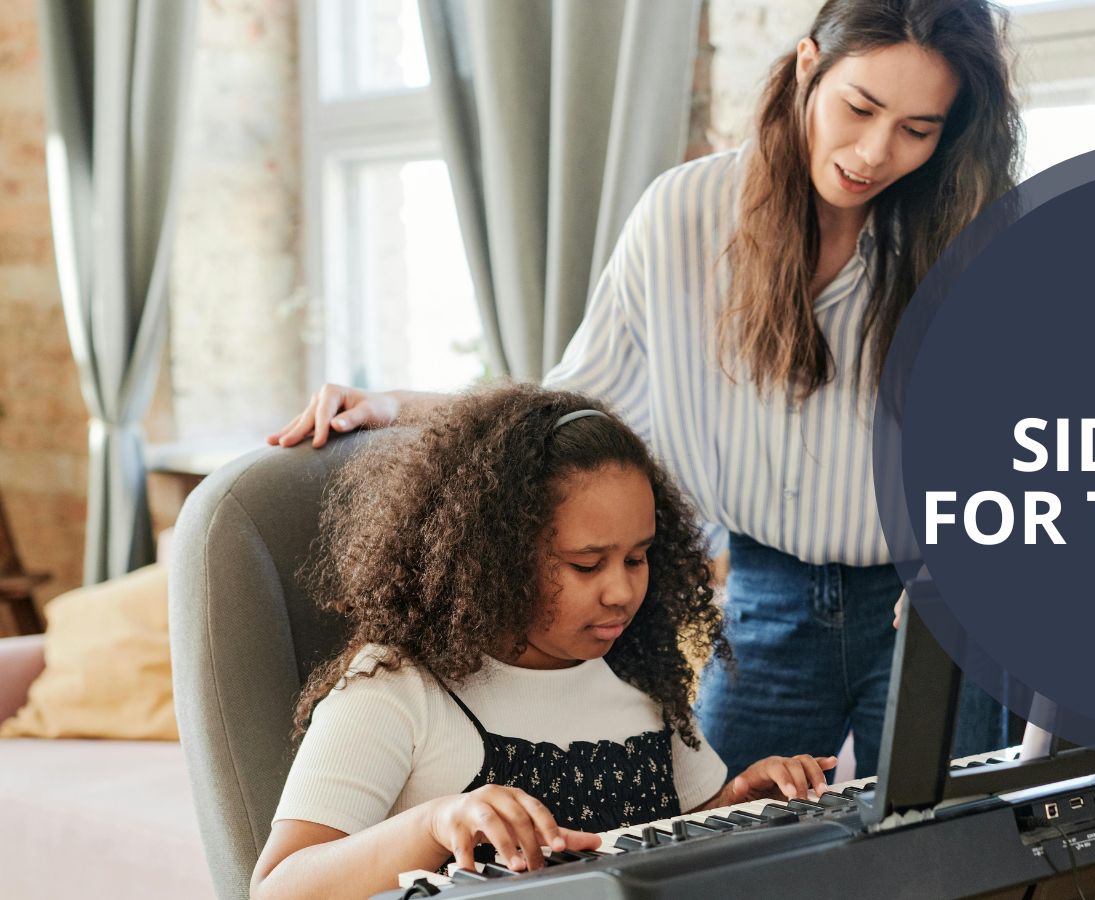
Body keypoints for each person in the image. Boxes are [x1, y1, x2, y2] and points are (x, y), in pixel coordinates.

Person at [268, 0, 1022, 779]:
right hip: (766, 596)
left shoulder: (973, 237)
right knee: (721, 847)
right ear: (808, 67)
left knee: (958, 847)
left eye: (917, 130)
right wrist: (397, 406)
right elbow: (572, 404)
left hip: (927, 602)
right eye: (858, 108)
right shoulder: (683, 217)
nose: (873, 152)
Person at [251, 387, 836, 900]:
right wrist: (431, 826)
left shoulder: (636, 673)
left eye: (637, 558)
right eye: (587, 565)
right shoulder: (397, 688)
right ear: (497, 559)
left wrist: (738, 803)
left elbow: (668, 830)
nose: (622, 591)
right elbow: (279, 888)